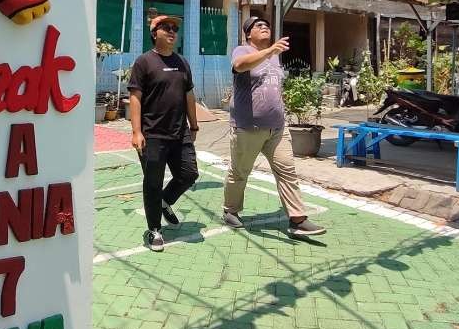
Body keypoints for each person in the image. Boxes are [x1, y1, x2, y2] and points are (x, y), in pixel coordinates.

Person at [224, 16, 326, 237]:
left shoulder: (275, 58)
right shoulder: (242, 50)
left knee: (287, 171)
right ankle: (230, 210)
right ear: (248, 33)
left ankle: (297, 219)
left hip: (277, 128)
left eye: (267, 25)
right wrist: (269, 51)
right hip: (247, 126)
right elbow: (240, 66)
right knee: (240, 172)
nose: (264, 27)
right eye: (258, 25)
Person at [128, 14, 200, 252]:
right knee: (152, 183)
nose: (172, 31)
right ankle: (154, 229)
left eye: (174, 28)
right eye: (166, 27)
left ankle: (166, 201)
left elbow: (189, 95)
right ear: (154, 33)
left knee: (189, 174)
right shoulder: (144, 62)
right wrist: (136, 131)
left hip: (180, 134)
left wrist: (194, 124)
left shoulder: (182, 62)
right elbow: (135, 97)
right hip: (153, 135)